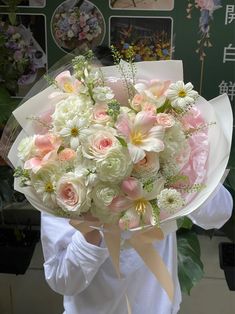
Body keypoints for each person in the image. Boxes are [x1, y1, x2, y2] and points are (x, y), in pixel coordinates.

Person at [41, 183, 233, 314]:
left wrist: (182, 169)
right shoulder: (64, 177)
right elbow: (63, 279)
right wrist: (93, 221)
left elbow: (220, 212)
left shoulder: (164, 151)